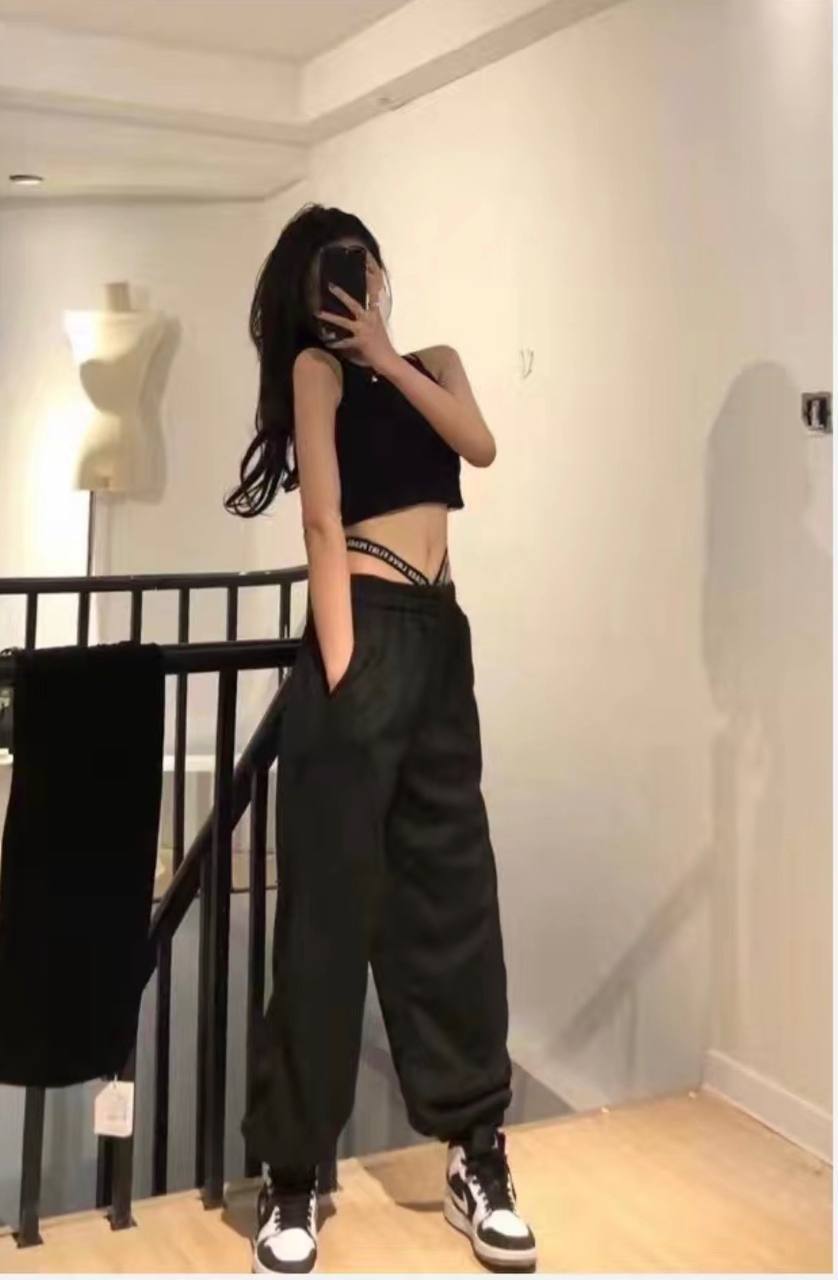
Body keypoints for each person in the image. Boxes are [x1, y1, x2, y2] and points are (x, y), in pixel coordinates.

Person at [226, 203, 537, 1275]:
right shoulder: (313, 373)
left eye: (365, 270)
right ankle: (293, 1176)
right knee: (327, 912)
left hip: (440, 637)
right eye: (336, 278)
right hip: (359, 634)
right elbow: (321, 518)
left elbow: (479, 446)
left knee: (454, 893)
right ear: (311, 294)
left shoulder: (431, 362)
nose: (355, 291)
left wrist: (391, 357)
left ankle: (476, 1152)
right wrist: (345, 659)